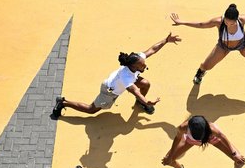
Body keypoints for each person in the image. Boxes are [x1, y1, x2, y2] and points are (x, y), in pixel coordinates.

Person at [51, 33, 181, 118]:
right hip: (109, 90)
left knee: (145, 83)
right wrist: (147, 102)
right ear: (134, 67)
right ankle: (63, 102)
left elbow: (152, 49)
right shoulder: (127, 79)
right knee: (91, 110)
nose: (144, 65)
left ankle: (140, 104)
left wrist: (166, 40)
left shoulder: (136, 60)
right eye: (142, 65)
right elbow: (136, 91)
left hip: (120, 82)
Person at [170, 4, 245, 87]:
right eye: (226, 21)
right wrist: (182, 22)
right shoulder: (218, 21)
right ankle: (200, 72)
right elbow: (201, 24)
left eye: (230, 23)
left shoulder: (242, 20)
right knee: (206, 65)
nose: (227, 24)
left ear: (236, 19)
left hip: (242, 45)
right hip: (223, 46)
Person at [161, 115, 245, 168]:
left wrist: (234, 154)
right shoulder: (182, 127)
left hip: (212, 140)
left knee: (240, 161)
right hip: (190, 141)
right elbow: (177, 138)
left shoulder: (213, 129)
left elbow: (223, 137)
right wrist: (170, 156)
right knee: (168, 160)